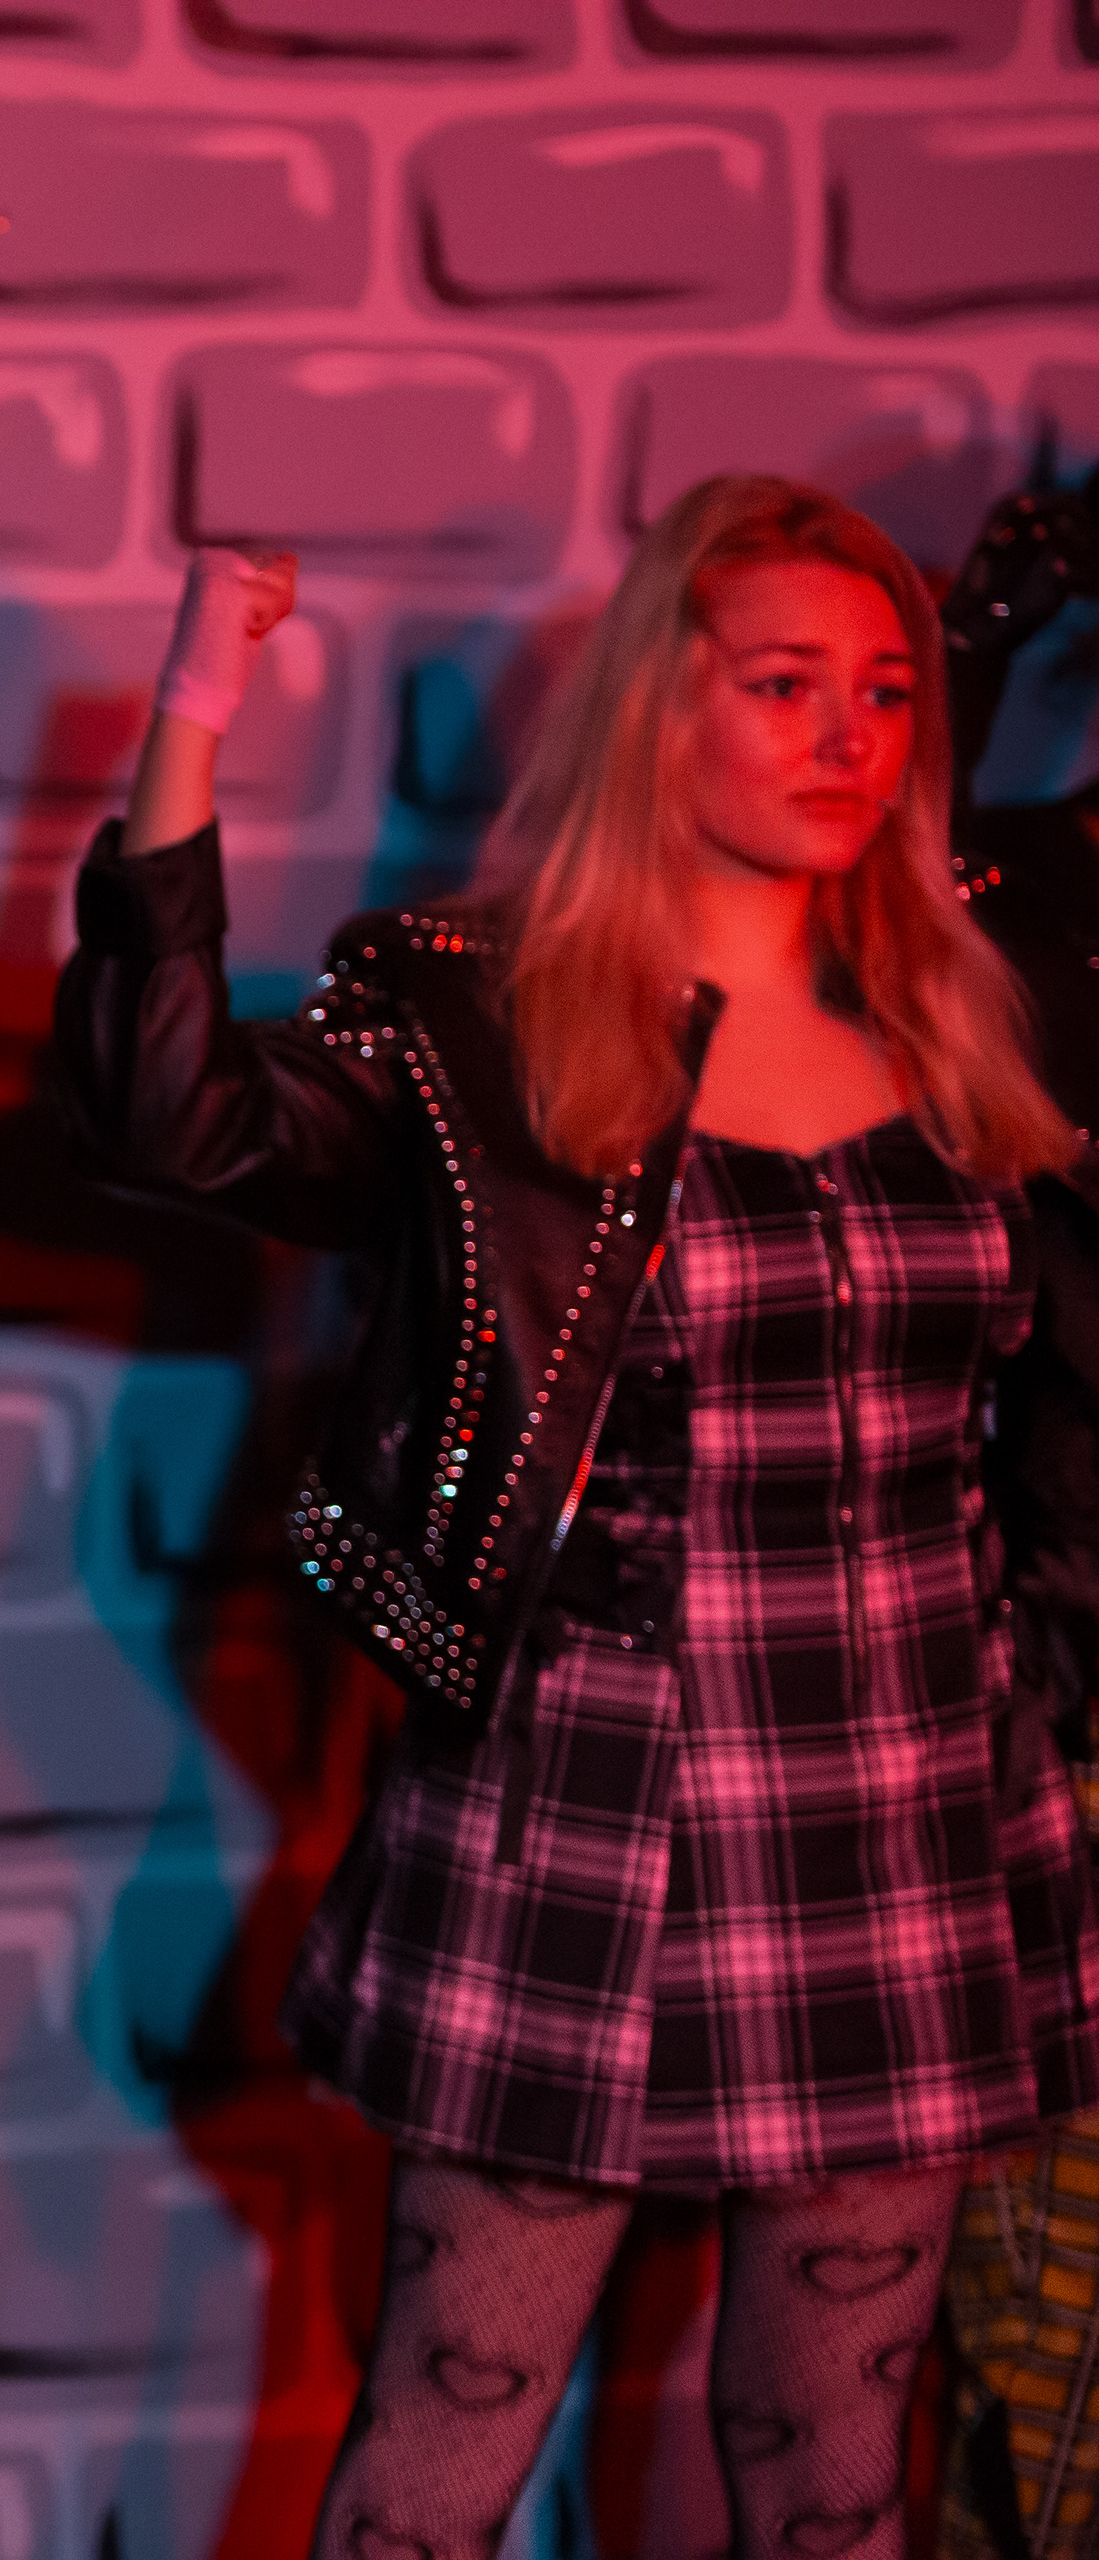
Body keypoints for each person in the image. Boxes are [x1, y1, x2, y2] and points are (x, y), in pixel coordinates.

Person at [56, 484, 1098, 2559]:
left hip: (903, 1790)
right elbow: (174, 1117)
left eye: (885, 691)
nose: (848, 735)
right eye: (783, 684)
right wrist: (197, 702)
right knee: (442, 2460)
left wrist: (1047, 1678)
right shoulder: (487, 1021)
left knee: (835, 2480)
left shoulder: (960, 1010)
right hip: (590, 1796)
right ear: (657, 708)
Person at [922, 477, 1099, 2560]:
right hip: (1066, 1706)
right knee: (1044, 2375)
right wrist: (975, 633)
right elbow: (854, 914)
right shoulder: (1020, 903)